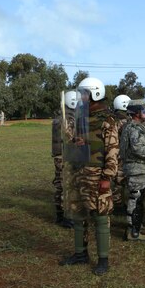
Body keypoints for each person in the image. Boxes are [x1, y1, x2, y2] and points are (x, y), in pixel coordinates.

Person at [59, 77, 119, 276]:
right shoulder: (80, 117)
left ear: (95, 94)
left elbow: (112, 151)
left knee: (100, 217)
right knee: (78, 213)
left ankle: (103, 259)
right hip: (78, 172)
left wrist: (107, 177)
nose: (81, 97)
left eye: (84, 94)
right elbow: (75, 141)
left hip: (97, 176)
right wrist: (75, 141)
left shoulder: (107, 120)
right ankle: (80, 253)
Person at [120, 100, 145, 241]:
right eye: (144, 111)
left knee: (138, 197)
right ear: (136, 113)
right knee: (136, 198)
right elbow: (137, 148)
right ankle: (133, 231)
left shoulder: (136, 126)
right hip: (136, 167)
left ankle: (135, 225)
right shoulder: (134, 129)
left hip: (138, 166)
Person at [51, 92, 76, 228]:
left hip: (59, 155)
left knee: (60, 183)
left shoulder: (60, 117)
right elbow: (70, 138)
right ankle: (67, 216)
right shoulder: (68, 118)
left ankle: (60, 214)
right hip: (65, 155)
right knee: (66, 184)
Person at [111, 95, 132, 216]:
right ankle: (118, 206)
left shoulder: (113, 118)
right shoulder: (124, 121)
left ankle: (118, 203)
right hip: (121, 154)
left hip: (114, 152)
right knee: (119, 180)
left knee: (117, 180)